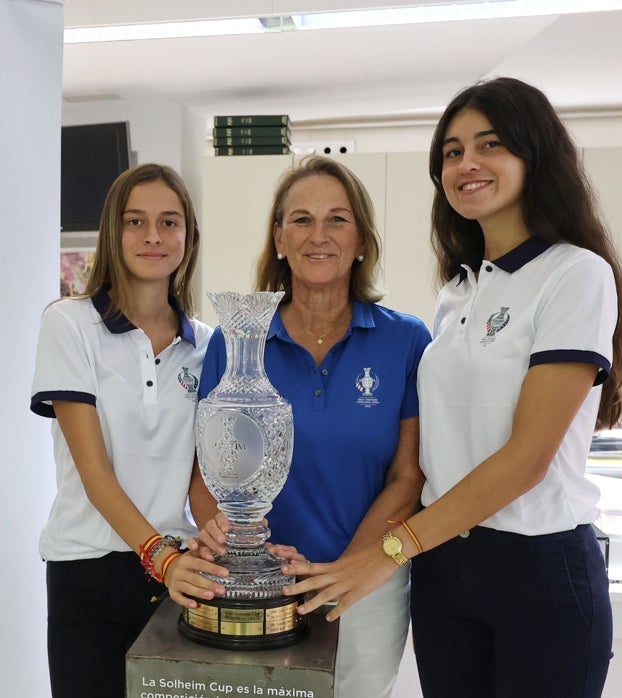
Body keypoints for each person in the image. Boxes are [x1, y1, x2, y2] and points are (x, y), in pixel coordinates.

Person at [285, 77, 622, 698]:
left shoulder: (576, 274)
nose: (467, 164)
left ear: (536, 156)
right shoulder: (458, 292)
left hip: (537, 567)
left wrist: (390, 549)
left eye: (490, 145)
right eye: (451, 152)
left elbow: (527, 458)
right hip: (446, 569)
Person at [193, 155, 432, 698]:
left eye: (337, 219)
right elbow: (205, 474)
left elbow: (408, 476)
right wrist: (232, 552)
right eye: (300, 219)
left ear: (362, 239)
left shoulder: (406, 342)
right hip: (255, 588)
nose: (317, 235)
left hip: (365, 584)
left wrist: (342, 572)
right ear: (278, 238)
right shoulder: (230, 346)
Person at [30, 163, 228, 698]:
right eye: (136, 221)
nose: (153, 237)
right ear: (113, 233)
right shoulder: (69, 324)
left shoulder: (208, 345)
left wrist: (224, 539)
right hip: (88, 571)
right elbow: (95, 473)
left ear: (188, 236)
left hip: (175, 578)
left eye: (170, 222)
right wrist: (160, 558)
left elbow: (197, 476)